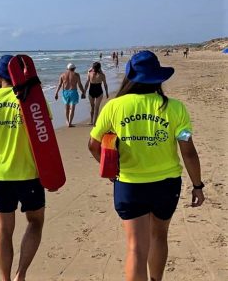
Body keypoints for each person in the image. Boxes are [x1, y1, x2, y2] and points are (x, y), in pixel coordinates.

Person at [88, 50, 205, 281]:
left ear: (130, 76)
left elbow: (93, 144)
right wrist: (198, 185)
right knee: (159, 236)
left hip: (130, 184)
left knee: (135, 248)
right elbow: (188, 151)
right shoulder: (175, 108)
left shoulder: (114, 106)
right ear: (158, 78)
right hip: (166, 184)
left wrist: (111, 169)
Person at [0, 55, 46, 281]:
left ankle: (5, 279)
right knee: (35, 222)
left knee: (4, 229)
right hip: (29, 173)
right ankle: (20, 274)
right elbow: (44, 138)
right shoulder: (32, 99)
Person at [54, 63, 85, 127]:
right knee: (72, 108)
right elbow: (79, 85)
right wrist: (83, 92)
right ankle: (70, 123)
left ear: (67, 68)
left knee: (66, 107)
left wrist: (56, 93)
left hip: (65, 92)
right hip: (73, 92)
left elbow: (59, 84)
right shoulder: (76, 75)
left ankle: (67, 121)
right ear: (74, 68)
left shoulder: (62, 75)